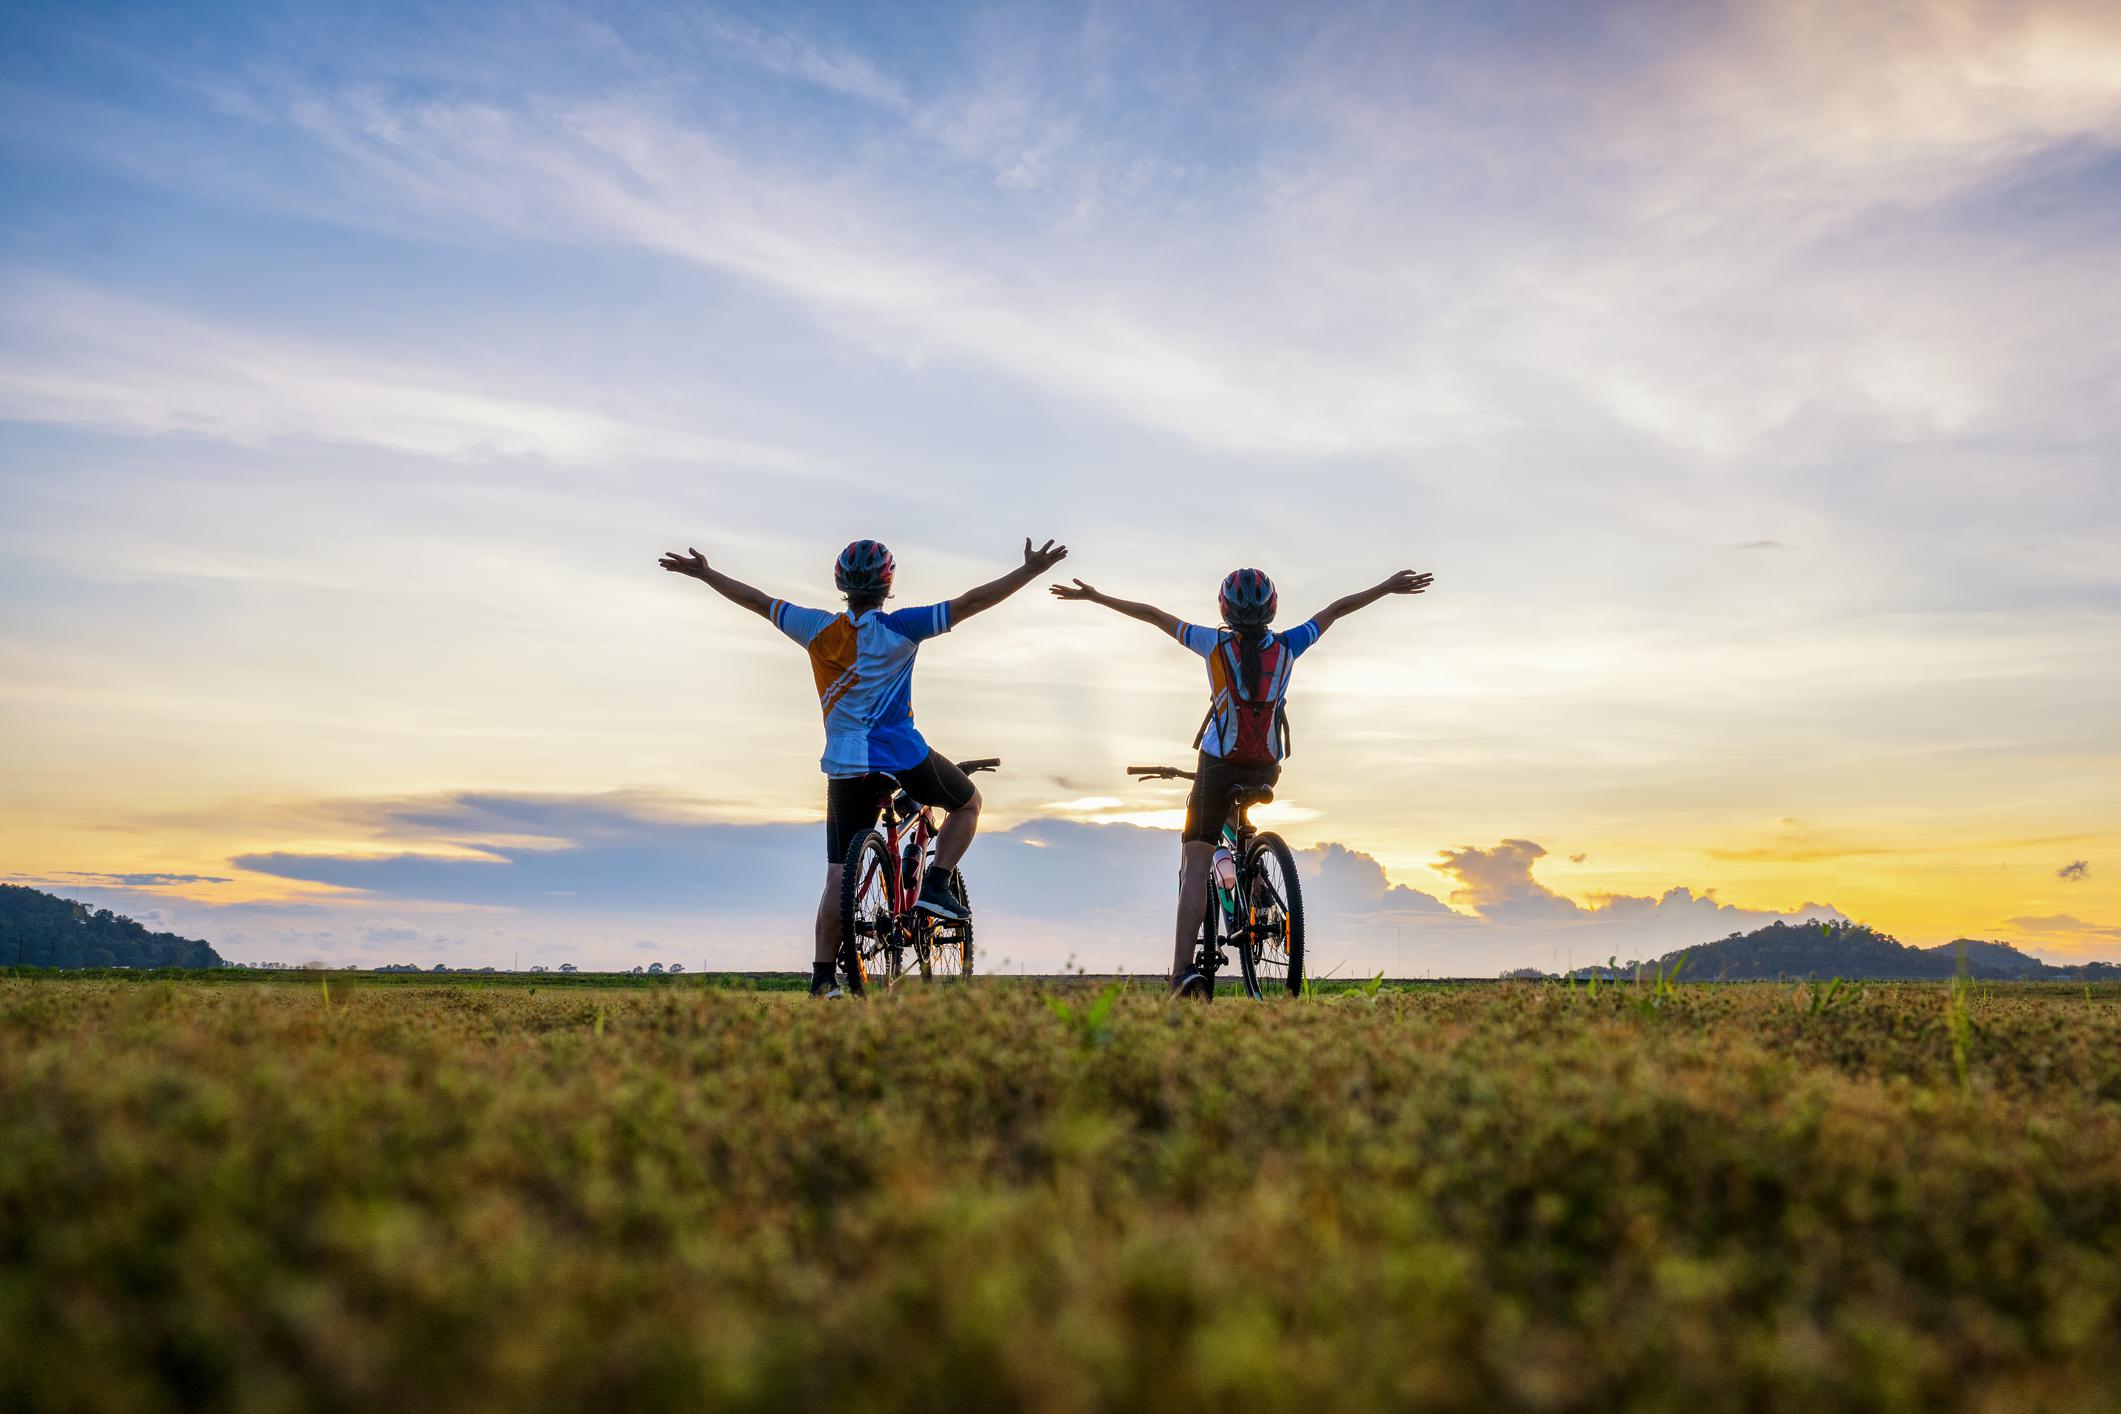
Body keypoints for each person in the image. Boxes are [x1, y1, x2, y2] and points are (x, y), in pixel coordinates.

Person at [661, 536, 1069, 996]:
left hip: (844, 766)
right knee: (969, 803)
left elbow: (757, 601)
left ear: (840, 583)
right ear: (887, 584)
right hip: (903, 756)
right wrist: (1031, 571)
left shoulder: (813, 628)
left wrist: (706, 573)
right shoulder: (903, 628)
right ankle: (935, 885)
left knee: (838, 876)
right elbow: (973, 601)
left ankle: (821, 979)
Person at [1050, 566, 1433, 995]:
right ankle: (1256, 886)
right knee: (1239, 824)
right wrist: (1387, 586)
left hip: (1218, 767)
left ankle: (1181, 974)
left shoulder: (1211, 643)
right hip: (1266, 766)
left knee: (1195, 863)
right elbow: (1337, 609)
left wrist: (1097, 597)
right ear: (1272, 609)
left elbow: (1154, 616)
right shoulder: (1290, 644)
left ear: (1224, 610)